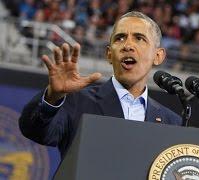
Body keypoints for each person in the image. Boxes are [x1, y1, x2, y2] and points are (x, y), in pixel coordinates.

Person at [19, 11, 182, 159]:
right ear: (109, 54)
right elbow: (35, 131)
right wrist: (52, 97)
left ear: (158, 56)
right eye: (120, 38)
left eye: (139, 38)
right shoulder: (75, 101)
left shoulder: (172, 122)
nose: (127, 45)